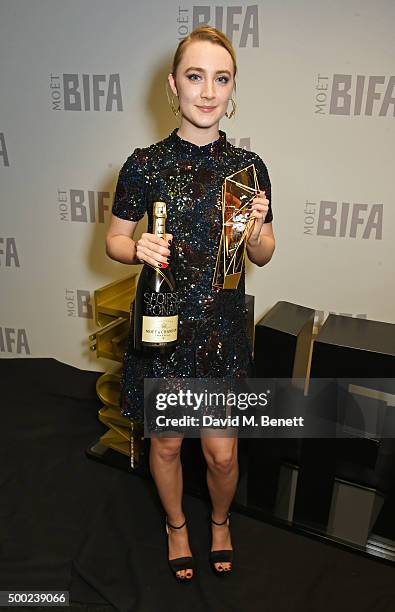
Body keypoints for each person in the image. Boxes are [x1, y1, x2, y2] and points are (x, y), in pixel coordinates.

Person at [105, 25, 275, 582]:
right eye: (195, 77)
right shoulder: (143, 164)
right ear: (173, 85)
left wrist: (254, 236)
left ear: (232, 89)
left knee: (222, 454)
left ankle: (220, 521)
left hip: (222, 330)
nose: (207, 91)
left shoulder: (248, 170)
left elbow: (266, 250)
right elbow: (114, 240)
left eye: (220, 79)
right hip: (163, 328)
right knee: (170, 444)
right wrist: (137, 248)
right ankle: (178, 527)